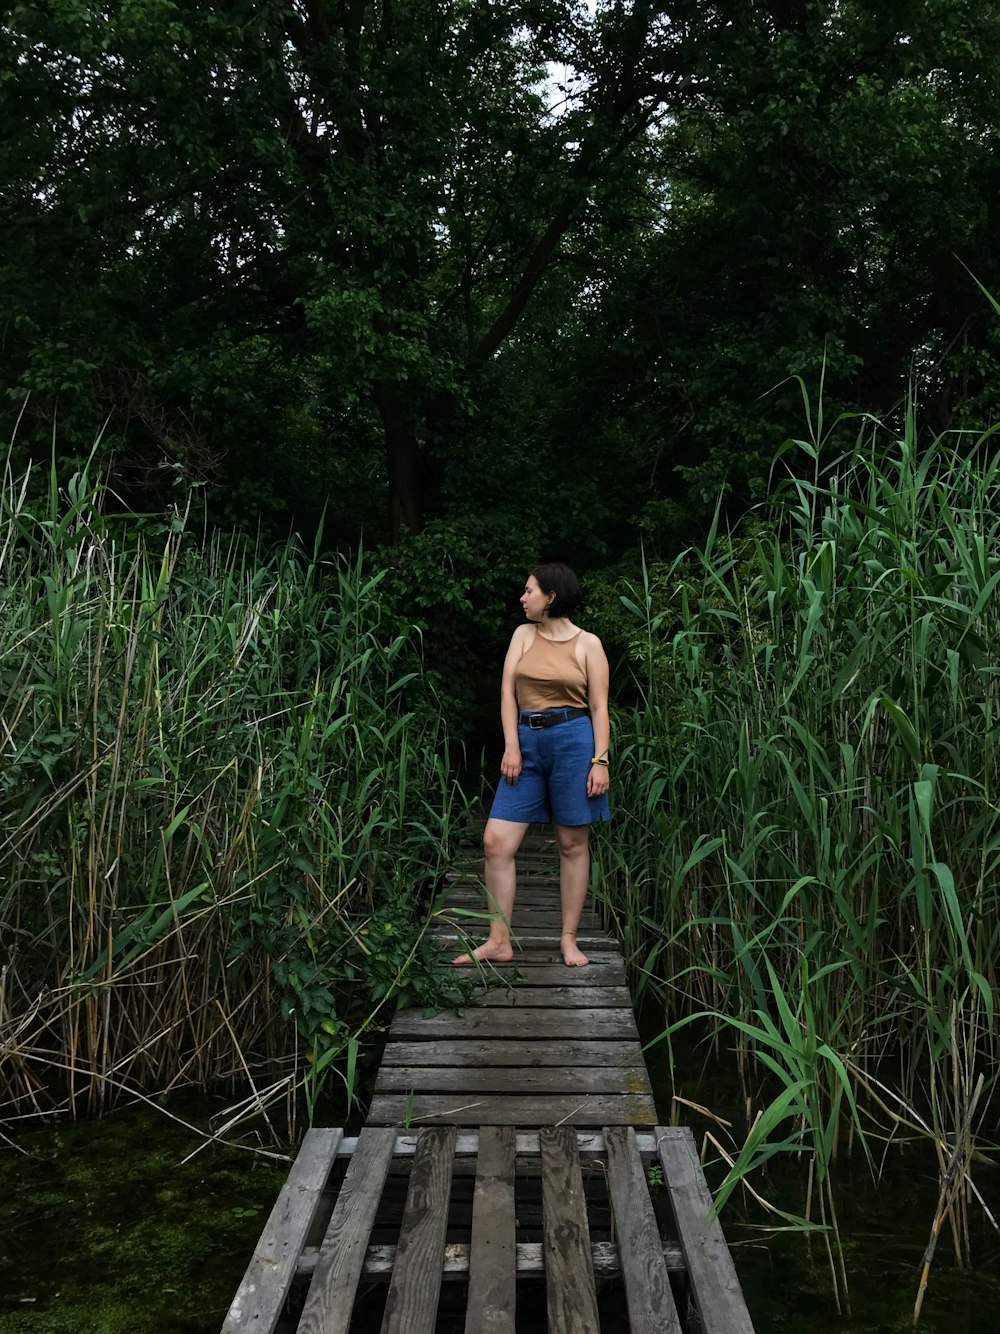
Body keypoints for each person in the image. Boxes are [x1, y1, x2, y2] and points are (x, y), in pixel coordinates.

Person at [454, 562, 610, 968]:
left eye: (529, 591)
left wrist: (600, 760)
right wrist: (511, 746)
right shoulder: (523, 634)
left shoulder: (588, 644)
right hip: (525, 742)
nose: (523, 598)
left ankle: (569, 939)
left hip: (574, 742)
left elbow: (598, 707)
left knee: (572, 844)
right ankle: (498, 940)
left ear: (551, 597)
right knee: (496, 841)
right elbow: (508, 692)